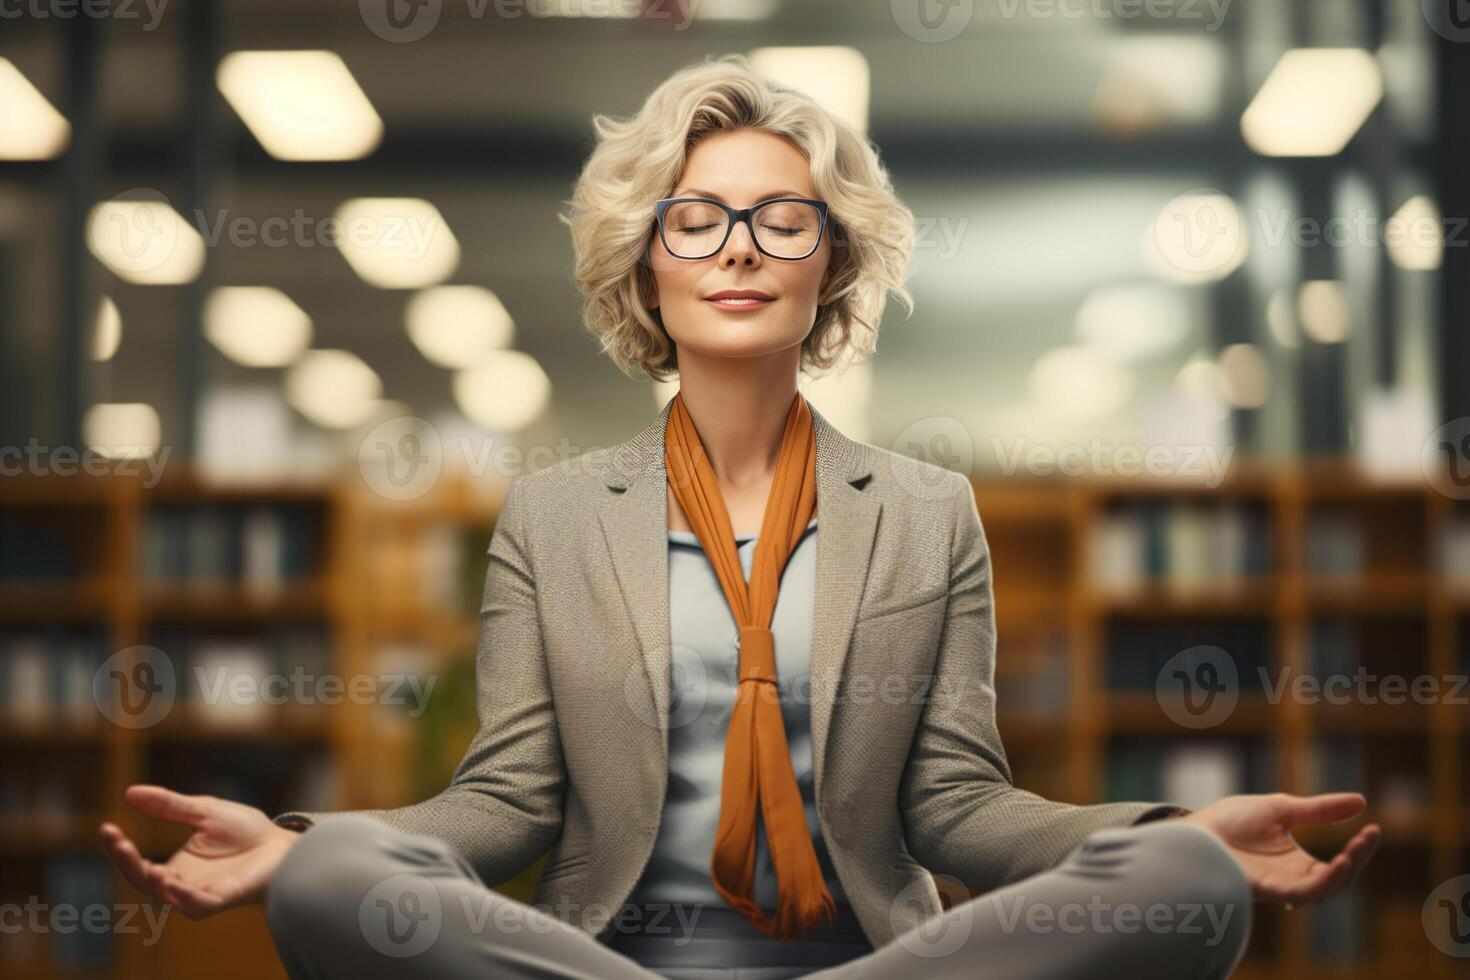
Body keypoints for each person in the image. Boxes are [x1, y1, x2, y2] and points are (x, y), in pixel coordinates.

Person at [99, 54, 1380, 980]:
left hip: (873, 956)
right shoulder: (552, 516)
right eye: (696, 219)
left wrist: (1165, 829)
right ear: (646, 265)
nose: (739, 247)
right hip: (606, 957)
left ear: (833, 258)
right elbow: (506, 800)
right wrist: (300, 840)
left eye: (783, 218)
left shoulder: (928, 511)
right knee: (333, 882)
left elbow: (957, 804)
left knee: (1188, 884)